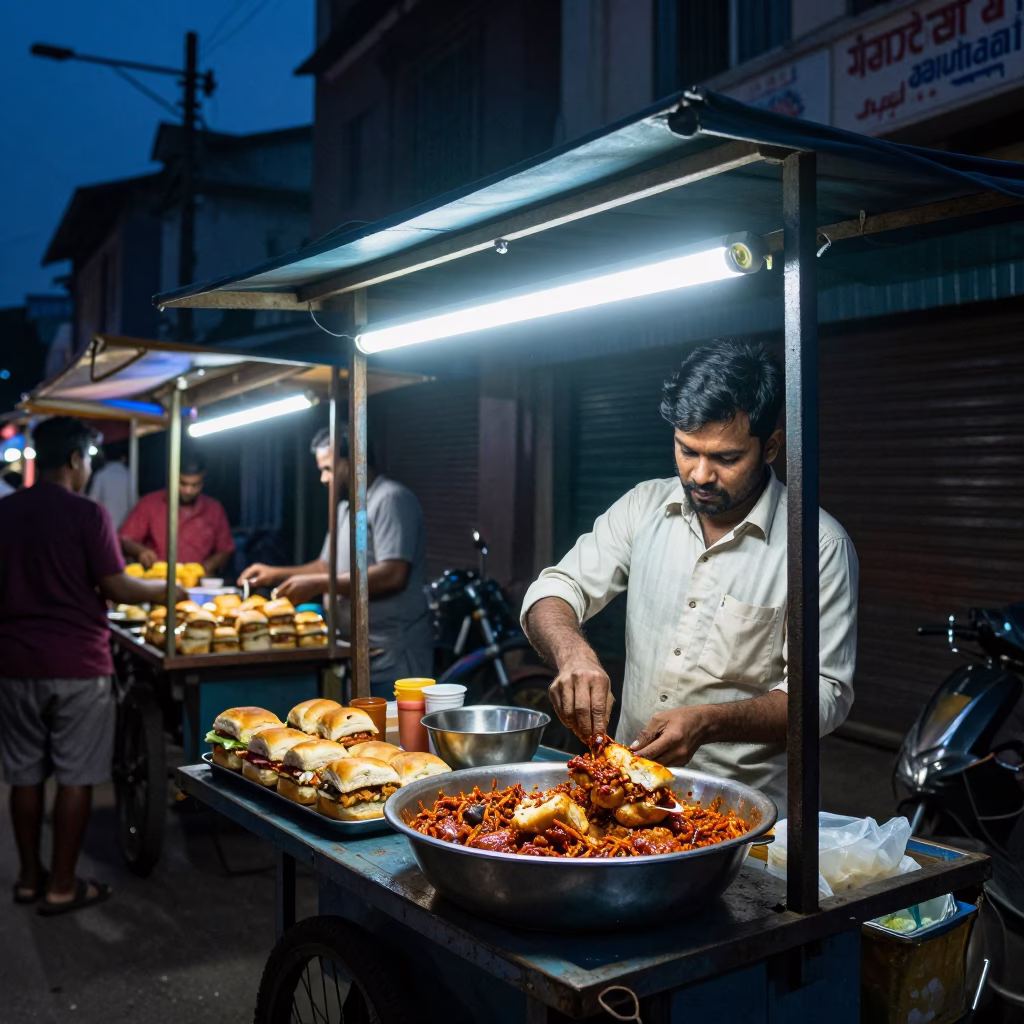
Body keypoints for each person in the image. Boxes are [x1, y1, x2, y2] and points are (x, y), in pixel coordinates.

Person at [521, 341, 859, 813]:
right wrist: (573, 653)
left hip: (742, 816)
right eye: (686, 450)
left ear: (771, 447)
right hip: (624, 798)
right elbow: (556, 589)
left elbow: (825, 693)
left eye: (725, 458)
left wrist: (709, 722)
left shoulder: (817, 546)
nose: (700, 475)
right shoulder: (643, 507)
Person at [0, 416, 187, 914]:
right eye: (88, 460)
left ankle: (28, 880)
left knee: (23, 776)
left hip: (15, 662)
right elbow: (116, 587)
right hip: (78, 664)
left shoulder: (6, 511)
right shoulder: (88, 514)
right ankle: (62, 886)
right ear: (75, 459)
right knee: (76, 776)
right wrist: (169, 590)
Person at [239, 426, 433, 697]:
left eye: (328, 469)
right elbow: (325, 567)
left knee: (396, 724)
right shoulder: (345, 508)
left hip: (393, 652)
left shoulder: (390, 499)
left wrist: (320, 584)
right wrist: (274, 573)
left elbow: (393, 574)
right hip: (357, 650)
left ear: (354, 461)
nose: (323, 478)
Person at [119, 450, 234, 575]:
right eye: (183, 484)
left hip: (197, 580)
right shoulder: (149, 503)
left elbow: (225, 549)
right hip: (157, 579)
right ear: (172, 478)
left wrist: (207, 567)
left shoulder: (214, 509)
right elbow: (125, 539)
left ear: (203, 481)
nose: (188, 490)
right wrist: (141, 551)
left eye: (195, 485)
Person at [88, 440, 131, 528]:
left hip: (106, 527)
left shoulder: (101, 475)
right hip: (127, 528)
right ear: (123, 458)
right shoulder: (130, 475)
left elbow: (92, 502)